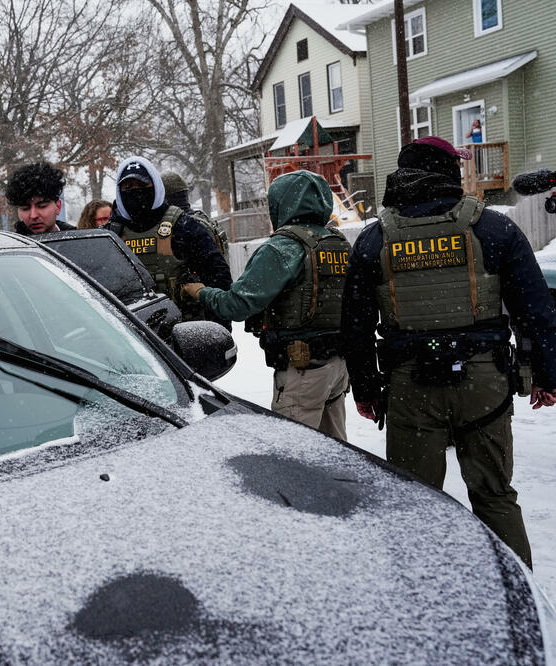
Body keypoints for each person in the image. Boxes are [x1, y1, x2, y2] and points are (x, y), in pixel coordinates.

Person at [341, 135, 556, 568]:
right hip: (484, 384)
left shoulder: (373, 241)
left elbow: (356, 329)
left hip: (409, 388)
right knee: (495, 497)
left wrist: (365, 390)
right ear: (444, 172)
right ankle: (520, 604)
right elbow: (536, 310)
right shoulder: (492, 228)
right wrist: (548, 374)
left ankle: (422, 600)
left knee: (415, 504)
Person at [182, 170, 351, 439]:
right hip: (337, 366)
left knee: (293, 457)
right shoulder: (336, 242)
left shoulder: (282, 248)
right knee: (335, 455)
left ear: (281, 203)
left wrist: (201, 292)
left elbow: (237, 305)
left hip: (302, 374)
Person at [105, 156, 233, 326]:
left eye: (142, 185)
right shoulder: (110, 235)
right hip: (130, 338)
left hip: (185, 333)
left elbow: (219, 280)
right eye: (127, 186)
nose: (135, 191)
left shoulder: (184, 227)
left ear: (156, 186)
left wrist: (218, 332)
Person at [5, 162, 75, 235]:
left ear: (58, 206)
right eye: (25, 208)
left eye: (42, 206)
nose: (33, 215)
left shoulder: (79, 241)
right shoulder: (12, 245)